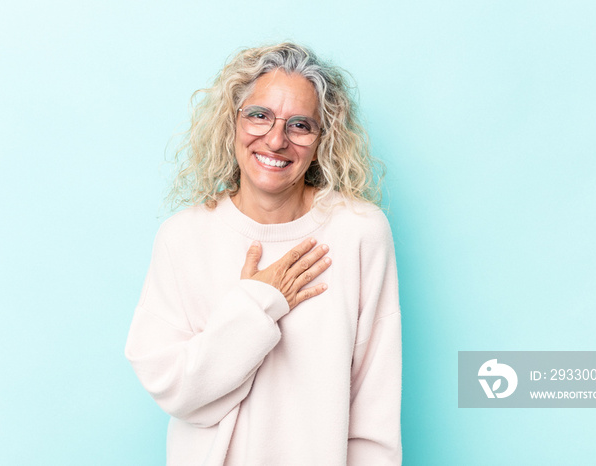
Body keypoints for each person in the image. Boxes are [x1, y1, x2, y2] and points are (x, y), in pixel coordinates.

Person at [125, 42, 402, 465]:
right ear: (231, 121)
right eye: (259, 116)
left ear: (322, 139)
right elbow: (177, 390)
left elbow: (374, 409)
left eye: (300, 125)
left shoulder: (359, 232)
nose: (275, 140)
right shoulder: (182, 237)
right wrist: (257, 302)